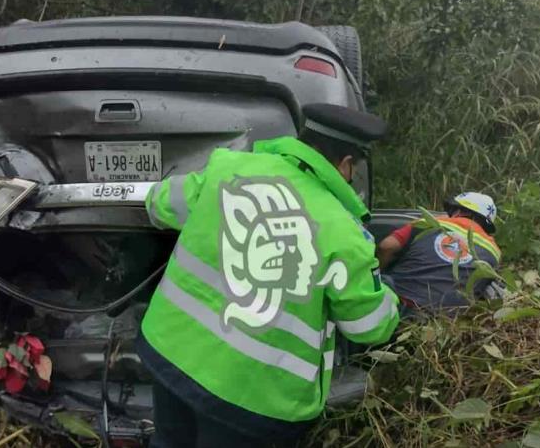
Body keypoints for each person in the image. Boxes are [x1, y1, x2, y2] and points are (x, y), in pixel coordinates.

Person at [136, 104, 400, 448]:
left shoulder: (228, 168)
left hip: (171, 354)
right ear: (346, 164)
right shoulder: (345, 234)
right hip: (252, 399)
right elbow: (370, 327)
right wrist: (390, 295)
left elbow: (158, 204)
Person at [376, 192, 502, 312]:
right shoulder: (494, 250)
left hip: (400, 306)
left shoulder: (429, 223)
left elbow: (387, 246)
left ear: (458, 211)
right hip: (448, 320)